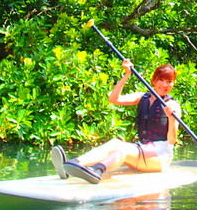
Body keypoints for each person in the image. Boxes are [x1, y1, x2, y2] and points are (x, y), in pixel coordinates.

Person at [50, 58, 181, 184]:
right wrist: (126, 75)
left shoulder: (172, 105)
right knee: (115, 144)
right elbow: (114, 99)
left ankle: (97, 170)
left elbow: (171, 141)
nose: (165, 85)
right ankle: (73, 163)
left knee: (122, 150)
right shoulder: (142, 97)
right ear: (154, 80)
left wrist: (170, 117)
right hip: (142, 149)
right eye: (162, 80)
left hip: (159, 156)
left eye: (169, 81)